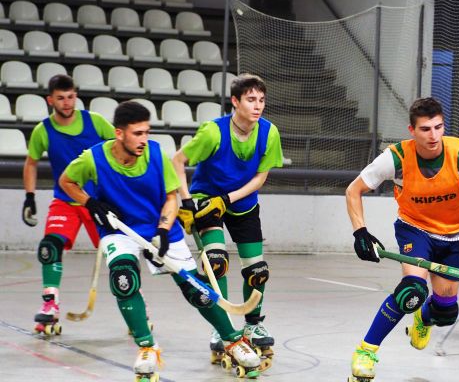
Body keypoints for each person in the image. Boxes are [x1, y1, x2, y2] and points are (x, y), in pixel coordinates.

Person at [59, 101, 261, 380]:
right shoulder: (93, 158)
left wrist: (164, 231)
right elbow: (66, 181)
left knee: (196, 290)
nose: (144, 139)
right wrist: (90, 202)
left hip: (158, 227)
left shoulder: (155, 155)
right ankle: (146, 347)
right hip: (120, 230)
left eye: (146, 132)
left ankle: (233, 340)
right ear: (119, 134)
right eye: (137, 133)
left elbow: (170, 197)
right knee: (123, 279)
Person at [345, 97, 459, 381]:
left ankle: (424, 319)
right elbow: (353, 191)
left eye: (438, 127)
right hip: (415, 230)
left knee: (446, 313)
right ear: (412, 130)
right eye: (426, 129)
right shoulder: (396, 159)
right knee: (412, 292)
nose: (433, 135)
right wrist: (360, 232)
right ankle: (366, 351)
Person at [171, 73, 283, 366]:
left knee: (258, 271)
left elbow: (261, 177)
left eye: (261, 100)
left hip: (242, 203)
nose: (257, 106)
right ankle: (219, 327)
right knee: (216, 261)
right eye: (250, 100)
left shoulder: (269, 133)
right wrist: (185, 203)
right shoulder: (213, 132)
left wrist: (229, 199)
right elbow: (177, 161)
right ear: (235, 102)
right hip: (207, 200)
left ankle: (253, 324)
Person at [22, 74, 115, 334]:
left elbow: (118, 146)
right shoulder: (44, 130)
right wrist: (29, 196)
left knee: (119, 254)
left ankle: (138, 302)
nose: (66, 102)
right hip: (65, 200)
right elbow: (31, 163)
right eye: (61, 98)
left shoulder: (94, 122)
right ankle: (50, 304)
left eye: (71, 97)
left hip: (97, 202)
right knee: (49, 247)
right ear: (50, 100)